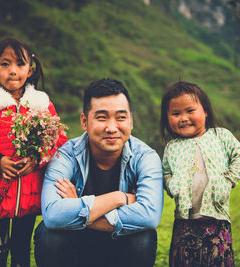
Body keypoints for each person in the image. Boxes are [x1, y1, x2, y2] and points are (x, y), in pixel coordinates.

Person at [33, 78, 164, 267]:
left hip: (119, 244)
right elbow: (53, 215)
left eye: (121, 117)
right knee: (48, 234)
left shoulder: (145, 157)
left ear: (131, 121)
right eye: (102, 117)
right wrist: (119, 198)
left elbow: (149, 216)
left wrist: (77, 208)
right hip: (76, 246)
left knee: (143, 237)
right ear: (84, 121)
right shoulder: (65, 155)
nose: (112, 128)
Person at [0, 37, 67, 267]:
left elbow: (57, 138)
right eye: (4, 64)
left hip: (28, 190)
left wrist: (38, 158)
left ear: (30, 68)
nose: (12, 71)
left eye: (20, 64)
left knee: (21, 249)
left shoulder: (41, 104)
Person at [160, 81, 240, 267]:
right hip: (184, 222)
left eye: (190, 111)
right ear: (167, 118)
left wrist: (228, 179)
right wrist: (170, 184)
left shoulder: (221, 136)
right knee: (183, 260)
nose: (183, 118)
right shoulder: (172, 147)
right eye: (176, 114)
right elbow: (164, 172)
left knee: (218, 260)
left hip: (216, 220)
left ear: (205, 111)